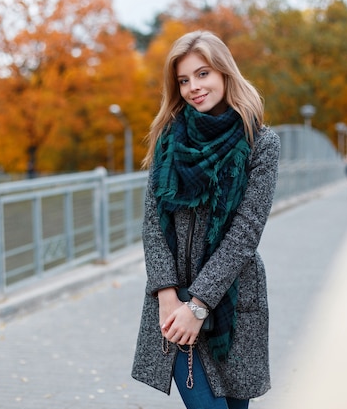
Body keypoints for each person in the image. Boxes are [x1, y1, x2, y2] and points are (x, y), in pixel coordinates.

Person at [131, 30, 280, 409]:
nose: (193, 87)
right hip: (174, 303)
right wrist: (167, 295)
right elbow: (152, 221)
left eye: (203, 74)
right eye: (183, 80)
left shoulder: (261, 143)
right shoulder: (168, 139)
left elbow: (245, 233)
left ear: (224, 73)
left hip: (232, 303)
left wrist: (200, 305)